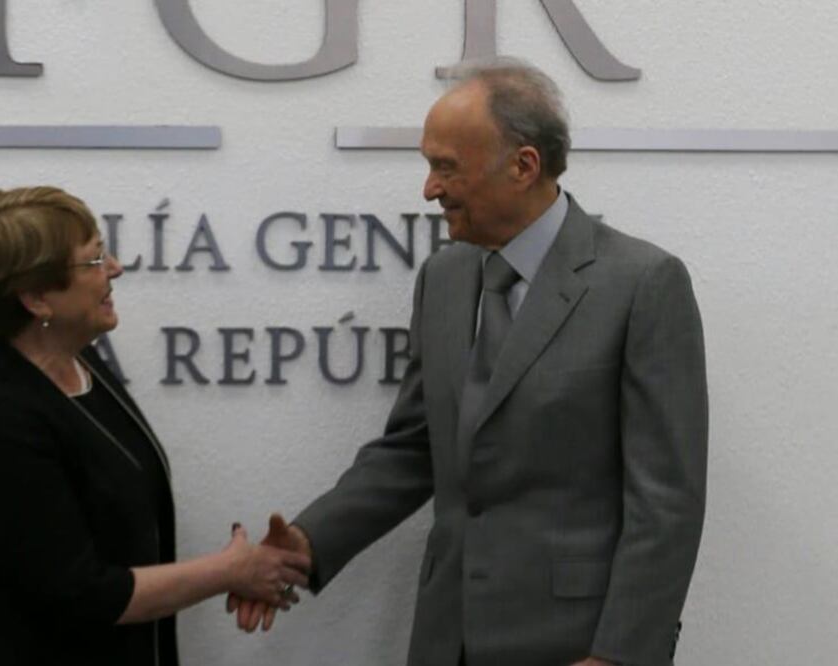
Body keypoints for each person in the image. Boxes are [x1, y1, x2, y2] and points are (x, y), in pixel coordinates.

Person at [232, 60, 708, 666]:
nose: (429, 188)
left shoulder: (642, 284)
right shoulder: (444, 277)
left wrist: (620, 653)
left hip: (576, 645)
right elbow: (413, 448)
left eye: (445, 166)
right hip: (446, 637)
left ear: (523, 165)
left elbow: (666, 500)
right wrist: (303, 544)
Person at [0, 186, 309, 666]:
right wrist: (229, 571)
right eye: (92, 262)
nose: (114, 269)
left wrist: (243, 568)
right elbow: (86, 593)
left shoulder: (79, 363)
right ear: (35, 298)